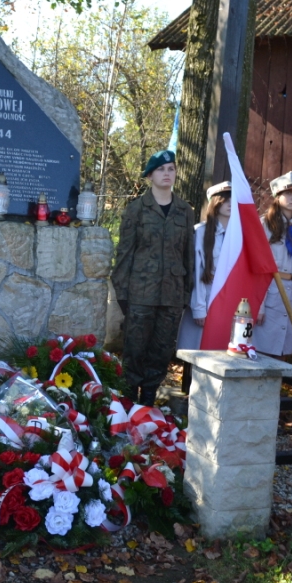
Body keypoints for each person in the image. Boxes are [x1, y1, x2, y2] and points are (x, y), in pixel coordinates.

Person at [112, 149, 195, 408]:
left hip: (172, 294)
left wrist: (186, 294)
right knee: (135, 350)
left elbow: (188, 256)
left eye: (171, 169)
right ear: (150, 176)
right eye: (161, 169)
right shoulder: (136, 209)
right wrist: (122, 294)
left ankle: (148, 403)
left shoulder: (184, 211)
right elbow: (124, 254)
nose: (167, 173)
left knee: (161, 351)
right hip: (140, 293)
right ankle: (127, 404)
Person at [175, 181, 231, 392]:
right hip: (206, 296)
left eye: (233, 199)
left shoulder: (240, 234)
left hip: (229, 300)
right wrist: (199, 307)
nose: (230, 204)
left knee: (222, 352)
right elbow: (197, 273)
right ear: (215, 202)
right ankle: (190, 394)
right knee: (197, 349)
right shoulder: (200, 232)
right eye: (225, 199)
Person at [252, 171, 292, 357]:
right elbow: (257, 269)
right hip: (271, 293)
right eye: (288, 193)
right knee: (263, 351)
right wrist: (259, 305)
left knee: (285, 353)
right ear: (277, 196)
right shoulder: (264, 226)